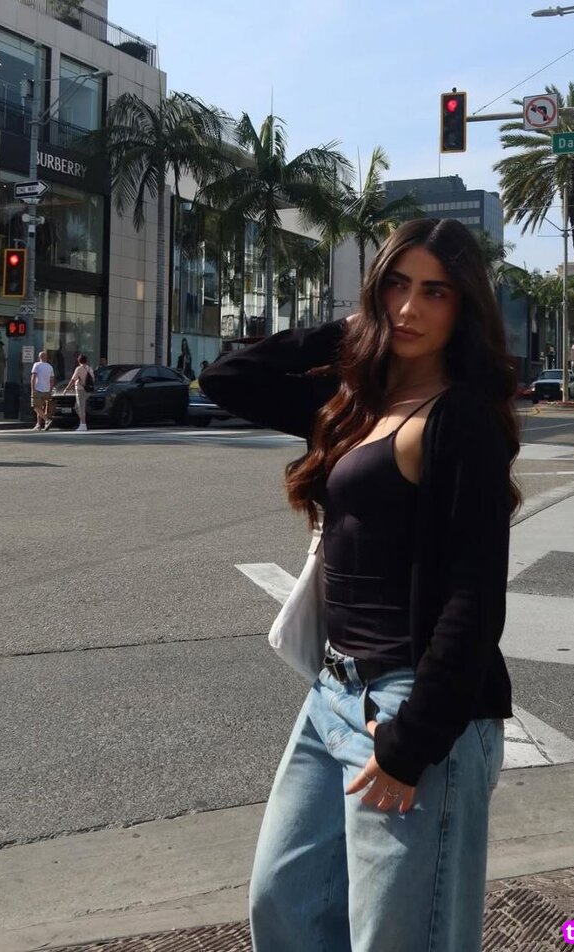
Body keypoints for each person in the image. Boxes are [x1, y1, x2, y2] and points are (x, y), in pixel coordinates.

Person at [200, 218, 520, 951]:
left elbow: (475, 596)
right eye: (396, 286)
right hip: (333, 694)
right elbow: (227, 378)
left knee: (395, 939)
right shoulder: (357, 403)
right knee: (284, 903)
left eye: (434, 292)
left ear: (465, 306)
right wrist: (349, 327)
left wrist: (414, 741)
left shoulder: (460, 418)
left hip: (412, 708)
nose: (409, 308)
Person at [64, 353, 93, 432]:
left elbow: (73, 380)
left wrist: (67, 389)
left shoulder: (79, 369)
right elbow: (93, 379)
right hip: (88, 390)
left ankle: (83, 424)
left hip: (80, 390)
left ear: (79, 360)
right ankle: (82, 423)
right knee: (77, 406)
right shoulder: (90, 368)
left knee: (81, 406)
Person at [30, 350, 55, 431]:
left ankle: (47, 420)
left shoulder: (36, 365)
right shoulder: (50, 367)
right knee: (41, 408)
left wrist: (32, 389)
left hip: (38, 389)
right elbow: (52, 380)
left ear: (39, 357)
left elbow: (33, 377)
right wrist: (50, 390)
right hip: (46, 390)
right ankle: (38, 424)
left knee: (36, 407)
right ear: (46, 357)